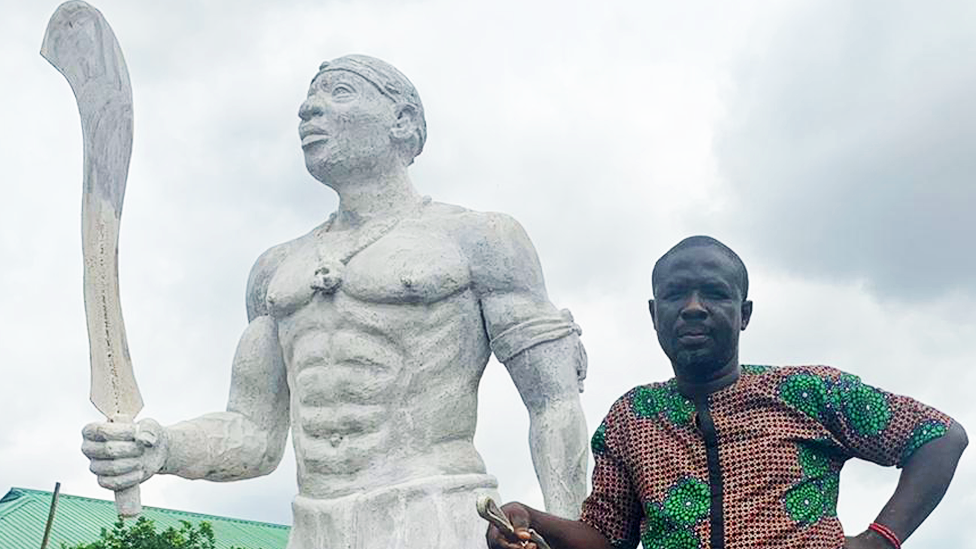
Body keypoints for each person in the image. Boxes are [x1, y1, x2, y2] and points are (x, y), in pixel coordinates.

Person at [81, 54, 590, 549]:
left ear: (403, 121)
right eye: (308, 98)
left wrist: (565, 532)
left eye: (339, 92)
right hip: (315, 526)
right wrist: (161, 448)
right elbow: (255, 435)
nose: (309, 109)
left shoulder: (479, 238)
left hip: (438, 512)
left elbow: (553, 400)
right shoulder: (274, 271)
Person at [487, 236, 967, 549]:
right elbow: (607, 538)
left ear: (744, 313)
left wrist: (881, 539)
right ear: (655, 314)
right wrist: (528, 518)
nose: (693, 307)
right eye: (676, 295)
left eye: (714, 294)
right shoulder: (632, 417)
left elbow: (939, 436)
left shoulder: (807, 391)